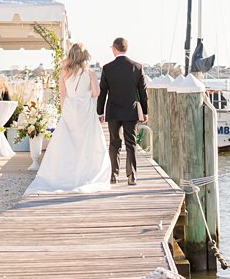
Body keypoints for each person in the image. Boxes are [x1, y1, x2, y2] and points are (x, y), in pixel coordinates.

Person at [25, 42, 111, 195]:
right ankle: (85, 173)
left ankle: (64, 174)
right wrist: (85, 96)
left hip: (69, 110)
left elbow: (63, 95)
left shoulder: (64, 73)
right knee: (86, 144)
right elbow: (97, 92)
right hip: (85, 112)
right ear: (85, 56)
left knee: (68, 144)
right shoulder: (90, 73)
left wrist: (66, 110)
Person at [97, 36, 148, 185]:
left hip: (113, 110)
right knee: (131, 142)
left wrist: (100, 112)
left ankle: (113, 175)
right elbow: (143, 92)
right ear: (126, 48)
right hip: (131, 111)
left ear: (114, 48)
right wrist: (145, 111)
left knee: (114, 143)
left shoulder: (107, 68)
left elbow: (103, 92)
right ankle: (132, 175)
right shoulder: (137, 67)